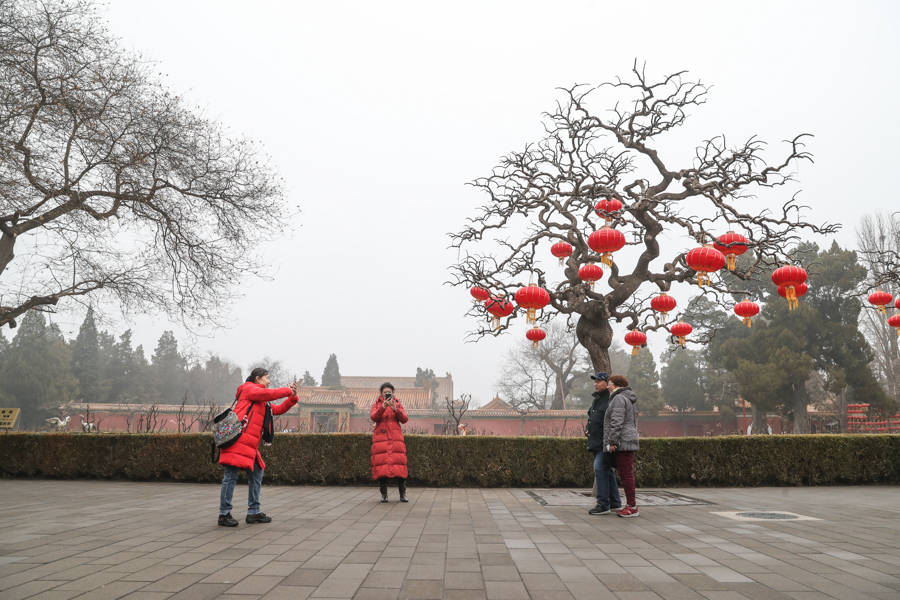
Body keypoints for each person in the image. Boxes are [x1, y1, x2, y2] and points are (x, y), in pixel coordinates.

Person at [217, 368, 299, 527]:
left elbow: (277, 410)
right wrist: (288, 390)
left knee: (257, 472)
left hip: (248, 446)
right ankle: (224, 514)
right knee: (230, 476)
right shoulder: (248, 389)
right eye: (266, 378)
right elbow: (268, 394)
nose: (269, 381)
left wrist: (292, 397)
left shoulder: (261, 399)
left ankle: (253, 512)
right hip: (237, 441)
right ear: (257, 378)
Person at [585, 371, 622, 515]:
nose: (595, 384)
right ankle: (615, 502)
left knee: (599, 468)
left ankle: (603, 504)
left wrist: (612, 441)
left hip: (605, 442)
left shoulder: (611, 400)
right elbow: (592, 417)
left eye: (599, 381)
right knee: (607, 470)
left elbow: (614, 422)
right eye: (594, 381)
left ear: (607, 383)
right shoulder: (597, 399)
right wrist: (588, 429)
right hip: (595, 441)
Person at [604, 374, 640, 518]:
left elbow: (616, 421)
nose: (608, 386)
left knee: (626, 475)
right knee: (626, 474)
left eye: (609, 383)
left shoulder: (618, 398)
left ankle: (632, 507)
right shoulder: (627, 398)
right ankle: (630, 505)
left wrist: (612, 441)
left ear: (616, 385)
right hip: (627, 440)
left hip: (623, 442)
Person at [370, 382, 409, 502]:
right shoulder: (377, 405)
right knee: (382, 469)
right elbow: (373, 417)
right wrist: (383, 407)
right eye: (385, 393)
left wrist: (395, 409)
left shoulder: (397, 404)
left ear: (393, 393)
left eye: (389, 393)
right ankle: (384, 495)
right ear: (381, 394)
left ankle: (403, 495)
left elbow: (404, 419)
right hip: (381, 440)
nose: (387, 394)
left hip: (396, 440)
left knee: (400, 468)